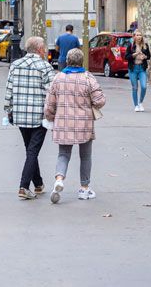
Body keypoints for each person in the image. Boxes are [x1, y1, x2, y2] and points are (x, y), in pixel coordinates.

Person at [44, 48, 106, 203]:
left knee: (63, 154)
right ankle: (84, 189)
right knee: (85, 156)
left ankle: (59, 179)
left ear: (67, 61)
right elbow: (100, 100)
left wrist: (50, 117)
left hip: (63, 122)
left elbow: (50, 104)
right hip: (84, 123)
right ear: (81, 61)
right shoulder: (88, 78)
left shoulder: (58, 78)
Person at [5, 36, 56, 199]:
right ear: (40, 49)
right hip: (39, 116)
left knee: (30, 150)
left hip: (20, 115)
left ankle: (38, 184)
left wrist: (8, 109)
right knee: (32, 151)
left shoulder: (15, 65)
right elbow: (52, 92)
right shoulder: (45, 66)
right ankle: (23, 186)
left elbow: (9, 89)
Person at [124, 32, 151, 111]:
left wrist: (145, 57)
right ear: (134, 37)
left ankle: (140, 103)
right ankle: (136, 105)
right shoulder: (131, 46)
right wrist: (134, 54)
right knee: (135, 87)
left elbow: (149, 56)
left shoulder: (145, 46)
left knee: (144, 86)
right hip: (133, 69)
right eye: (137, 35)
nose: (139, 36)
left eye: (140, 35)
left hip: (142, 69)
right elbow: (126, 56)